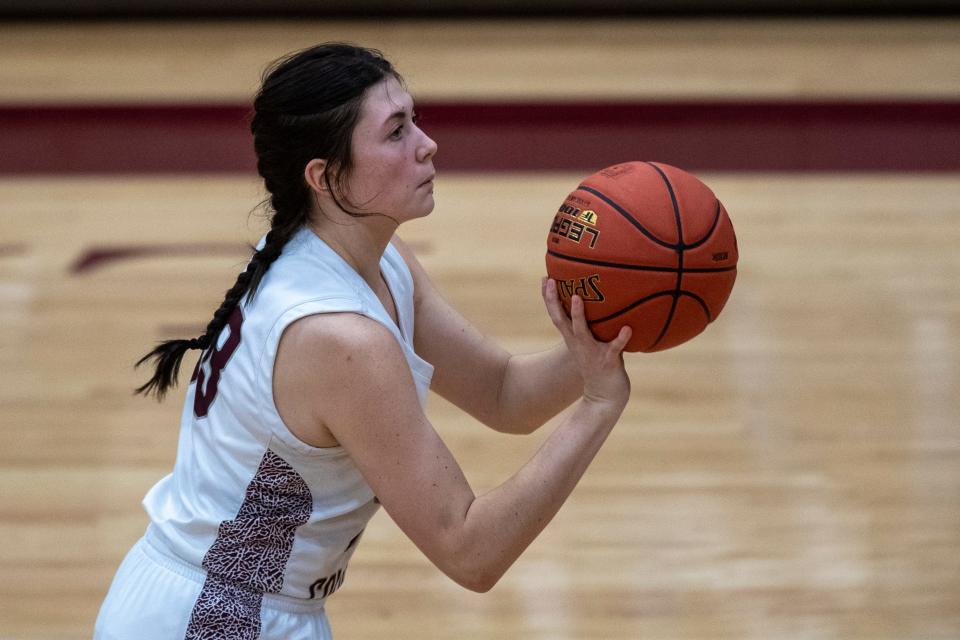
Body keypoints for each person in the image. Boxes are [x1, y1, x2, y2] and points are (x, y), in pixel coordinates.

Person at [94, 43, 633, 640]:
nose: (427, 144)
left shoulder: (366, 262)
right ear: (324, 177)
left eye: (414, 120)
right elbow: (469, 549)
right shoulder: (339, 338)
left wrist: (618, 329)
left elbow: (504, 393)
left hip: (241, 603)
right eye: (396, 132)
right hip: (216, 617)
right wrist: (599, 407)